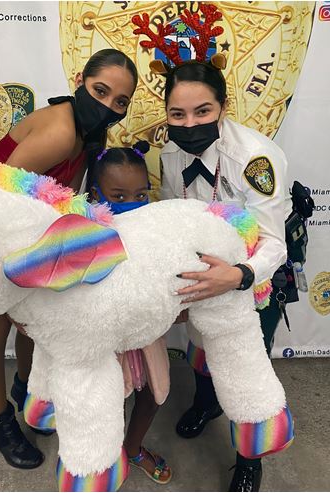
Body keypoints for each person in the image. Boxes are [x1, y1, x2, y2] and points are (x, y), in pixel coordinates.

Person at [0, 48, 138, 470]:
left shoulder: (87, 134)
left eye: (120, 101)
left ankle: (26, 391)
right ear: (80, 81)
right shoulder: (62, 132)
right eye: (100, 91)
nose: (108, 106)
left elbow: (58, 201)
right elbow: (0, 199)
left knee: (34, 316)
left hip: (21, 225)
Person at [159, 59, 292, 491]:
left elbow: (274, 243)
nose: (189, 124)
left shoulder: (255, 159)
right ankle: (206, 402)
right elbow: (172, 214)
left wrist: (238, 276)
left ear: (223, 106)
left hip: (253, 278)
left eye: (203, 111)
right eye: (178, 114)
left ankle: (249, 461)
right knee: (200, 346)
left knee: (246, 372)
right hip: (203, 274)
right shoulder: (169, 152)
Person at [86, 141, 172, 485]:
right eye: (118, 196)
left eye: (140, 195)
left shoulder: (158, 231)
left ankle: (133, 448)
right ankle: (104, 457)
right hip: (105, 339)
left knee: (153, 393)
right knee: (106, 401)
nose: (131, 204)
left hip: (147, 334)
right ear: (96, 194)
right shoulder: (84, 234)